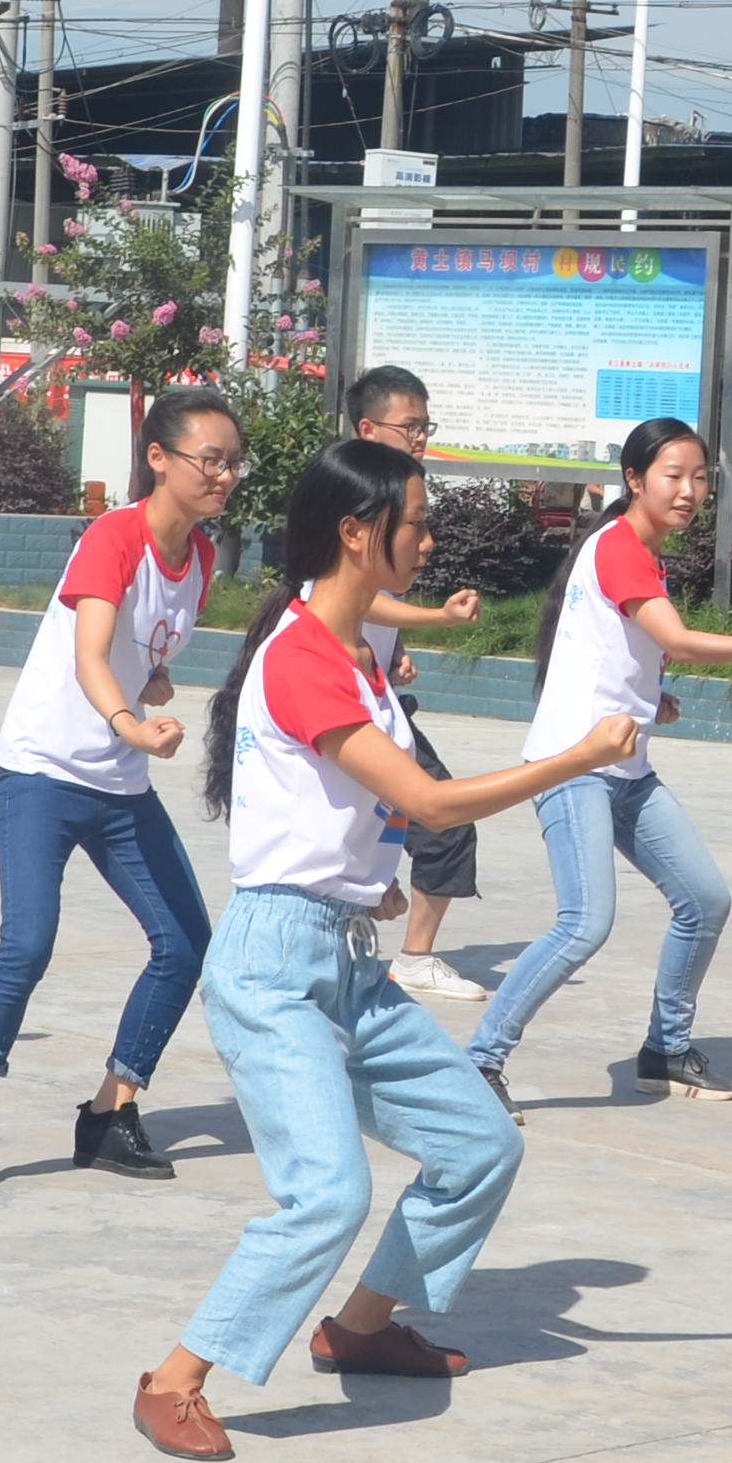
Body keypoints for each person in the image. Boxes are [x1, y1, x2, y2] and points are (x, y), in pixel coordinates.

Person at [128, 440, 642, 1461]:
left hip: (347, 960)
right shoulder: (303, 655)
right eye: (414, 520)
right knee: (328, 1192)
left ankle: (358, 1326)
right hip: (275, 968)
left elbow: (371, 807)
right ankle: (176, 1377)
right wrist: (573, 758)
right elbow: (427, 800)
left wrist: (369, 870)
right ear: (356, 533)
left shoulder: (355, 653)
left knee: (478, 1146)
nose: (428, 537)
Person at [0, 384, 242, 1198]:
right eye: (209, 459)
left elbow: (147, 654)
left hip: (119, 783)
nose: (224, 475)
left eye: (231, 463)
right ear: (158, 459)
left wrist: (156, 690)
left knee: (185, 945)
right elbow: (91, 655)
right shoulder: (115, 537)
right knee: (27, 943)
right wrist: (132, 721)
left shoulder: (202, 558)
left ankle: (110, 1112)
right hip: (43, 772)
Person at [471, 417, 732, 1100]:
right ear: (634, 480)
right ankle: (480, 1060)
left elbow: (610, 648)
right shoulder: (623, 547)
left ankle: (665, 1048)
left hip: (624, 767)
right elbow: (679, 640)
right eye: (674, 476)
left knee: (705, 900)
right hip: (574, 766)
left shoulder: (633, 551)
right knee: (584, 923)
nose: (689, 490)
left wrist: (648, 695)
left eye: (699, 478)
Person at [342, 366, 489, 1004]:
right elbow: (349, 595)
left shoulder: (390, 492)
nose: (421, 438)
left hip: (372, 690)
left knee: (402, 817)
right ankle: (411, 956)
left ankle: (389, 943)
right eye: (411, 427)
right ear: (368, 428)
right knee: (442, 814)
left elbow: (372, 600)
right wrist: (437, 618)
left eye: (426, 426)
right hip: (341, 694)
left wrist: (394, 651)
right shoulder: (349, 497)